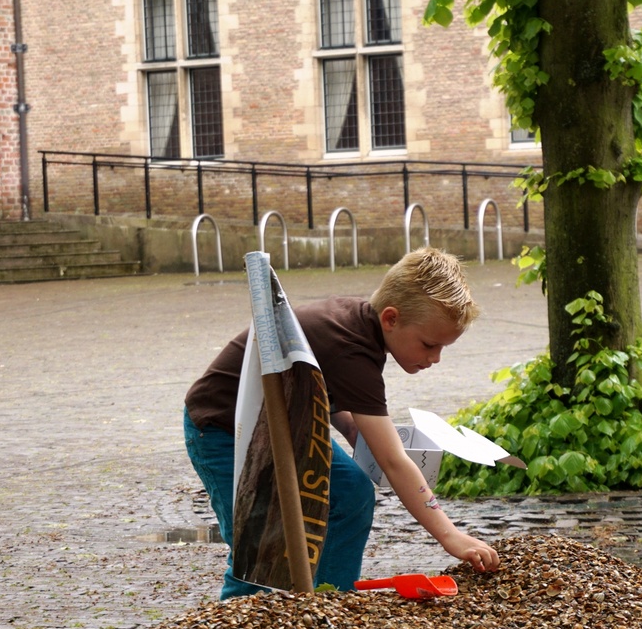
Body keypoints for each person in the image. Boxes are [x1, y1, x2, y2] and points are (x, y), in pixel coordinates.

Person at [183, 248, 502, 600]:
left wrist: (351, 429)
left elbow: (309, 379)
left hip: (288, 424)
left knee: (350, 492)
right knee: (259, 546)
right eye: (429, 345)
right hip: (224, 429)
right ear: (391, 319)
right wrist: (449, 536)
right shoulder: (353, 350)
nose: (435, 358)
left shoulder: (356, 323)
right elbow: (393, 462)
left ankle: (331, 601)